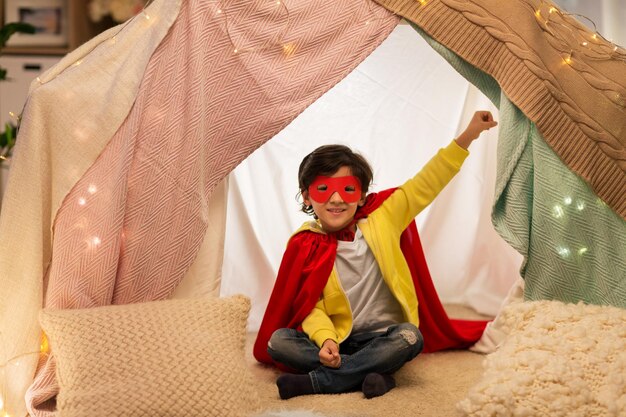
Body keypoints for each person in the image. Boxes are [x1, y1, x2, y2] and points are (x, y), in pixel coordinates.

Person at [256, 111, 497, 400]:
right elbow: (310, 307)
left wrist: (468, 134)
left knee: (410, 338)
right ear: (306, 197)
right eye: (323, 189)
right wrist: (326, 339)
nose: (336, 199)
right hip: (338, 339)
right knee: (278, 342)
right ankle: (373, 376)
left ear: (361, 196)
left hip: (384, 337)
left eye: (347, 189)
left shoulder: (384, 217)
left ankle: (320, 382)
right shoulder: (305, 245)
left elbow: (427, 183)